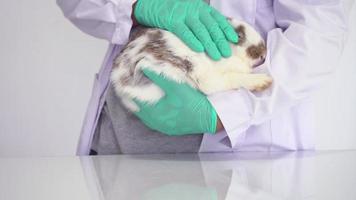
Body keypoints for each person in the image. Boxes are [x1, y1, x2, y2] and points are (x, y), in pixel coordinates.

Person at [57, 0, 348, 155]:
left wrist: (225, 113)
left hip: (244, 154)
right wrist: (135, 4)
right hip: (124, 145)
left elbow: (318, 30)